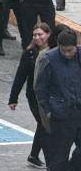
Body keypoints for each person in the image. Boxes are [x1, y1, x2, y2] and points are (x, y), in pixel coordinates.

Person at [34, 28, 81, 171]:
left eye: (70, 50)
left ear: (76, 46)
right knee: (58, 158)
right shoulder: (48, 58)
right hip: (60, 115)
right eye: (63, 50)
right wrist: (47, 110)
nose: (67, 54)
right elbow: (40, 88)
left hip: (78, 111)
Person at [9, 22, 51, 169]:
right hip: (34, 96)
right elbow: (20, 76)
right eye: (35, 35)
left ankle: (35, 155)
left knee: (45, 125)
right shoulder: (29, 53)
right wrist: (13, 98)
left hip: (50, 95)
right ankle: (37, 156)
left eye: (40, 34)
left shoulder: (54, 51)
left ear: (48, 35)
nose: (37, 37)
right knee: (43, 124)